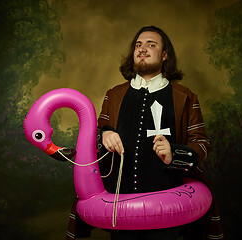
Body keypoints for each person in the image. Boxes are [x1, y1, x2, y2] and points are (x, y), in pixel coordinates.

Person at [66, 26, 224, 240]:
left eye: (151, 44)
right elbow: (94, 136)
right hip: (119, 206)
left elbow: (202, 144)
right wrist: (105, 134)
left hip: (168, 208)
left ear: (165, 55)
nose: (142, 49)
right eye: (138, 45)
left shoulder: (184, 96)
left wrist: (174, 153)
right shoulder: (113, 95)